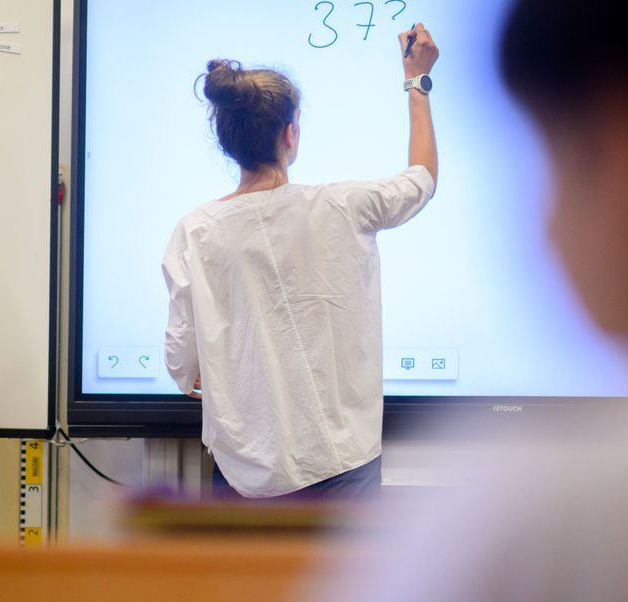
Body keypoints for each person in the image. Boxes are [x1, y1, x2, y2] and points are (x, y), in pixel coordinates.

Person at [316, 0, 628, 598]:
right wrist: (415, 83)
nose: (547, 226)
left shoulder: (532, 531)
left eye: (558, 162)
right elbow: (419, 178)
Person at [161, 27, 440, 500]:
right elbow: (422, 180)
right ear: (290, 134)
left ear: (226, 141)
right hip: (343, 467)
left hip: (242, 477)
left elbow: (182, 366)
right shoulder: (344, 206)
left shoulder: (195, 231)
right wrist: (417, 80)